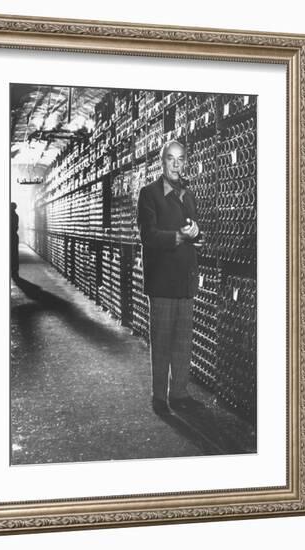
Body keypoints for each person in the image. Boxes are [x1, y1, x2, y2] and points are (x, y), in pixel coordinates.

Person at [136, 140, 200, 416]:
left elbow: (194, 231)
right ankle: (159, 397)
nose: (176, 164)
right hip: (162, 280)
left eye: (181, 159)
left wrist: (197, 234)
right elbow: (147, 235)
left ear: (185, 161)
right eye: (170, 159)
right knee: (161, 341)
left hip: (185, 278)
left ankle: (180, 393)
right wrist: (179, 236)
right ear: (161, 162)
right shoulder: (148, 194)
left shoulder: (188, 193)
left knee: (183, 342)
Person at [11, 202, 20, 280]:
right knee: (14, 254)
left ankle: (13, 270)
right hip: (14, 236)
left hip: (12, 236)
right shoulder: (16, 216)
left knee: (12, 254)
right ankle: (14, 270)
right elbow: (16, 227)